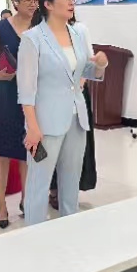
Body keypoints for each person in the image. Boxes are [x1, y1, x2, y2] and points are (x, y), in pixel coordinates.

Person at [17, 0, 108, 226]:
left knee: (71, 181)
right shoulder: (32, 39)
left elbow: (83, 73)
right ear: (48, 4)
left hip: (76, 119)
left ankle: (68, 232)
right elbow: (26, 89)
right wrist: (32, 127)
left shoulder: (77, 34)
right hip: (45, 123)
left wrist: (100, 65)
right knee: (38, 184)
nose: (71, 2)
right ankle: (34, 235)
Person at [0, 0, 39, 228]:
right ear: (15, 2)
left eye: (36, 0)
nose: (33, 5)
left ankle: (27, 199)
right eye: (28, 1)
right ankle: (2, 205)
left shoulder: (41, 26)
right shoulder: (0, 28)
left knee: (28, 151)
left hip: (33, 95)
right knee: (3, 152)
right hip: (5, 94)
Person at [49, 14, 97, 210]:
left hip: (76, 92)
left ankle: (71, 190)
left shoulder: (80, 29)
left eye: (71, 0)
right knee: (53, 143)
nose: (69, 3)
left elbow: (90, 62)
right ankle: (54, 189)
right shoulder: (43, 31)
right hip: (51, 95)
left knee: (75, 146)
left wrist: (78, 85)